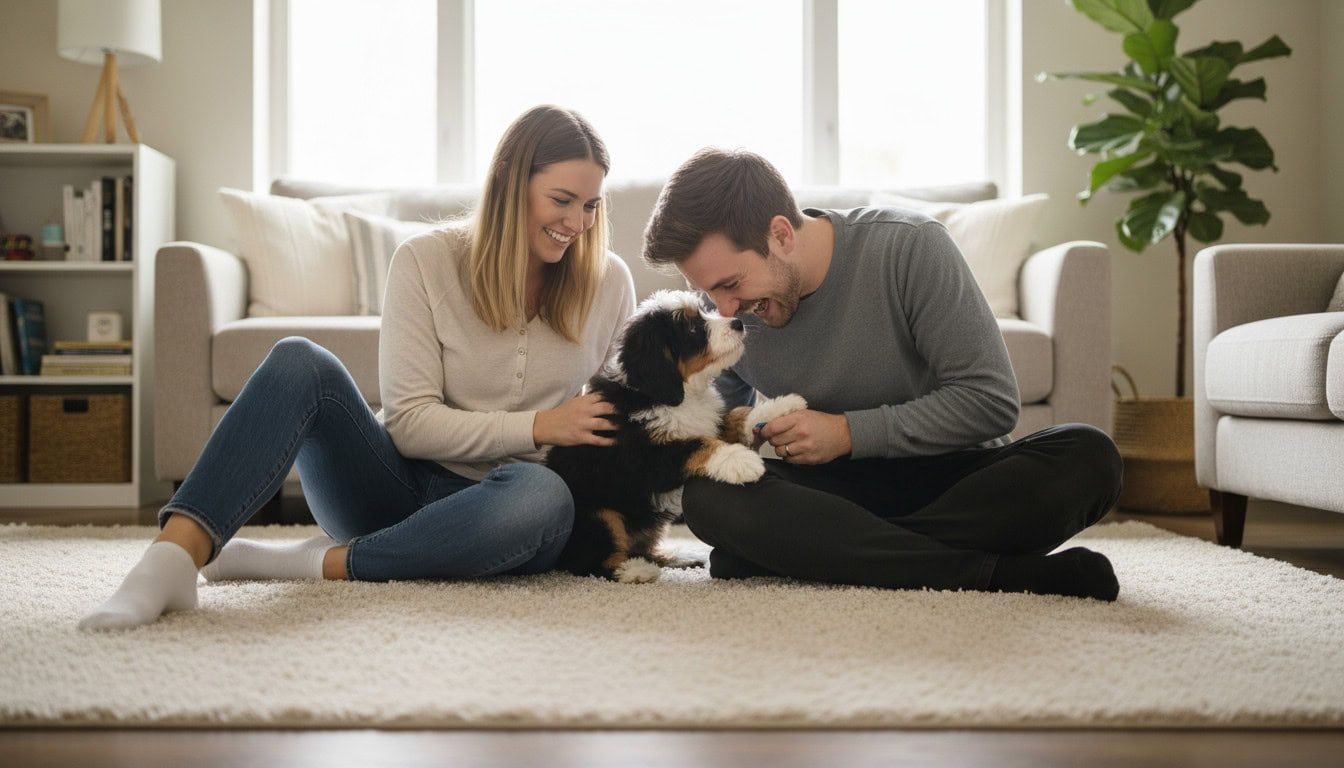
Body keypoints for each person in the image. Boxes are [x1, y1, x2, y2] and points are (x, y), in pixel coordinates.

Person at [80, 105, 636, 630]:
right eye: (562, 200)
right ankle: (172, 560)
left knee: (544, 497)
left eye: (591, 206)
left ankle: (316, 563)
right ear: (513, 181)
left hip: (507, 506)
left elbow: (629, 425)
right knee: (300, 361)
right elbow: (411, 425)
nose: (578, 222)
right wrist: (540, 425)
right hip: (393, 487)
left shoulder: (609, 284)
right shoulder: (426, 261)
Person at [641, 148, 1123, 601]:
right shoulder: (727, 316)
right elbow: (716, 429)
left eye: (730, 284)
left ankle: (822, 555)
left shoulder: (909, 246)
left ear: (782, 234)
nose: (724, 310)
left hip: (952, 480)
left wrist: (848, 433)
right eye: (708, 292)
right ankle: (992, 572)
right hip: (831, 497)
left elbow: (991, 401)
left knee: (1089, 455)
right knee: (709, 497)